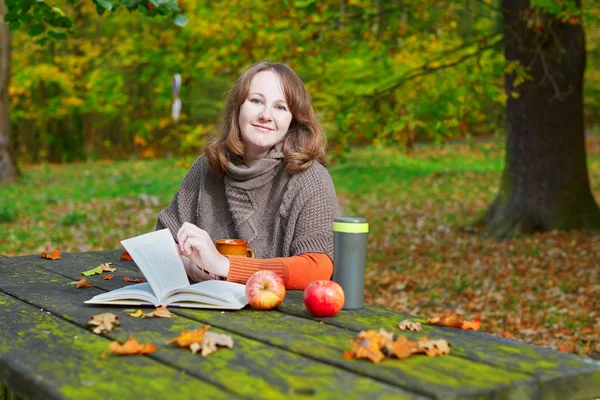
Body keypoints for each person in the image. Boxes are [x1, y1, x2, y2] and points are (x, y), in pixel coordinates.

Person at [156, 61, 341, 289]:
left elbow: (317, 266)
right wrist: (189, 265)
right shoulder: (208, 166)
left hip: (283, 317)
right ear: (238, 107)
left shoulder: (309, 177)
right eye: (256, 101)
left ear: (293, 119)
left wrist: (224, 266)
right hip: (203, 310)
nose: (266, 115)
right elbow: (163, 240)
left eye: (280, 107)